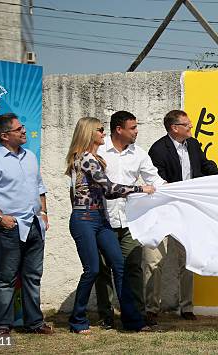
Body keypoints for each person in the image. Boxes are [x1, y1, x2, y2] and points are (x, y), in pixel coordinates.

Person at [65, 116, 155, 334]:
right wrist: (140, 189)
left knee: (120, 265)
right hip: (84, 219)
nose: (103, 134)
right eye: (100, 130)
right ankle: (77, 320)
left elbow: (103, 191)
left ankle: (132, 320)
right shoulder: (85, 158)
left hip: (100, 219)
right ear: (89, 133)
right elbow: (109, 188)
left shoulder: (94, 158)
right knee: (93, 270)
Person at [0, 113, 53, 335]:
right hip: (10, 228)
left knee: (33, 276)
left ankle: (34, 323)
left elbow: (40, 187)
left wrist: (43, 212)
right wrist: (0, 218)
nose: (24, 131)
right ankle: (2, 325)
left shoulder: (30, 156)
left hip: (34, 225)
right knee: (6, 278)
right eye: (18, 129)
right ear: (5, 136)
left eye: (23, 127)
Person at [145, 109, 218, 322]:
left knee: (188, 259)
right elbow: (156, 180)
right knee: (154, 261)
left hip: (188, 211)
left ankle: (186, 307)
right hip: (162, 211)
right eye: (187, 124)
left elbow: (205, 166)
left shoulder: (194, 145)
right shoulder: (159, 150)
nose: (191, 127)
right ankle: (151, 308)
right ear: (174, 128)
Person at [94, 111, 165, 329]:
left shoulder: (139, 153)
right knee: (102, 268)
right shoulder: (96, 149)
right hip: (102, 219)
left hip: (129, 221)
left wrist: (179, 191)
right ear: (119, 129)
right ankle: (106, 316)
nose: (136, 131)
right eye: (133, 128)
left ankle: (134, 315)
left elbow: (155, 180)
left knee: (133, 266)